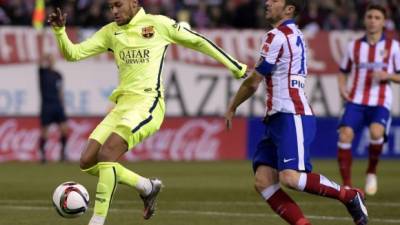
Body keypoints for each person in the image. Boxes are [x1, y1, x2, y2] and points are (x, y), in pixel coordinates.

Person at [47, 0, 248, 224]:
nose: (113, 11)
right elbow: (73, 53)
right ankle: (146, 186)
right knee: (87, 161)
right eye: (111, 7)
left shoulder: (158, 25)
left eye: (118, 5)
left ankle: (97, 221)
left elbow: (198, 41)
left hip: (148, 103)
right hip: (122, 105)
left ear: (134, 3)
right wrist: (60, 31)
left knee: (107, 155)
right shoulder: (110, 32)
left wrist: (235, 66)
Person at [225, 0, 368, 224]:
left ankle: (349, 196)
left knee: (290, 178)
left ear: (289, 9)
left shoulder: (277, 36)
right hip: (277, 117)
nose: (267, 3)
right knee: (264, 181)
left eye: (275, 0)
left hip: (292, 114)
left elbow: (254, 81)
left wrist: (233, 105)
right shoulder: (296, 34)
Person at [337, 4, 400, 196]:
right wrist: (342, 89)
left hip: (380, 101)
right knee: (345, 134)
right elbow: (343, 71)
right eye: (370, 17)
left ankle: (371, 171)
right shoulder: (353, 46)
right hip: (356, 99)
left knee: (376, 132)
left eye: (377, 17)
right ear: (365, 20)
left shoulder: (393, 46)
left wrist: (387, 75)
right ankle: (347, 185)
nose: (373, 20)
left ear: (383, 22)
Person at [38, 53, 68, 163]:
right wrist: (44, 55)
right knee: (45, 131)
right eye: (49, 59)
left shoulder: (58, 75)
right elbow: (39, 62)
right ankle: (42, 155)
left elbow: (60, 91)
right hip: (46, 105)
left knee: (64, 129)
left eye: (52, 59)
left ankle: (63, 154)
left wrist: (62, 105)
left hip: (57, 105)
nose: (51, 61)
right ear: (47, 60)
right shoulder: (43, 72)